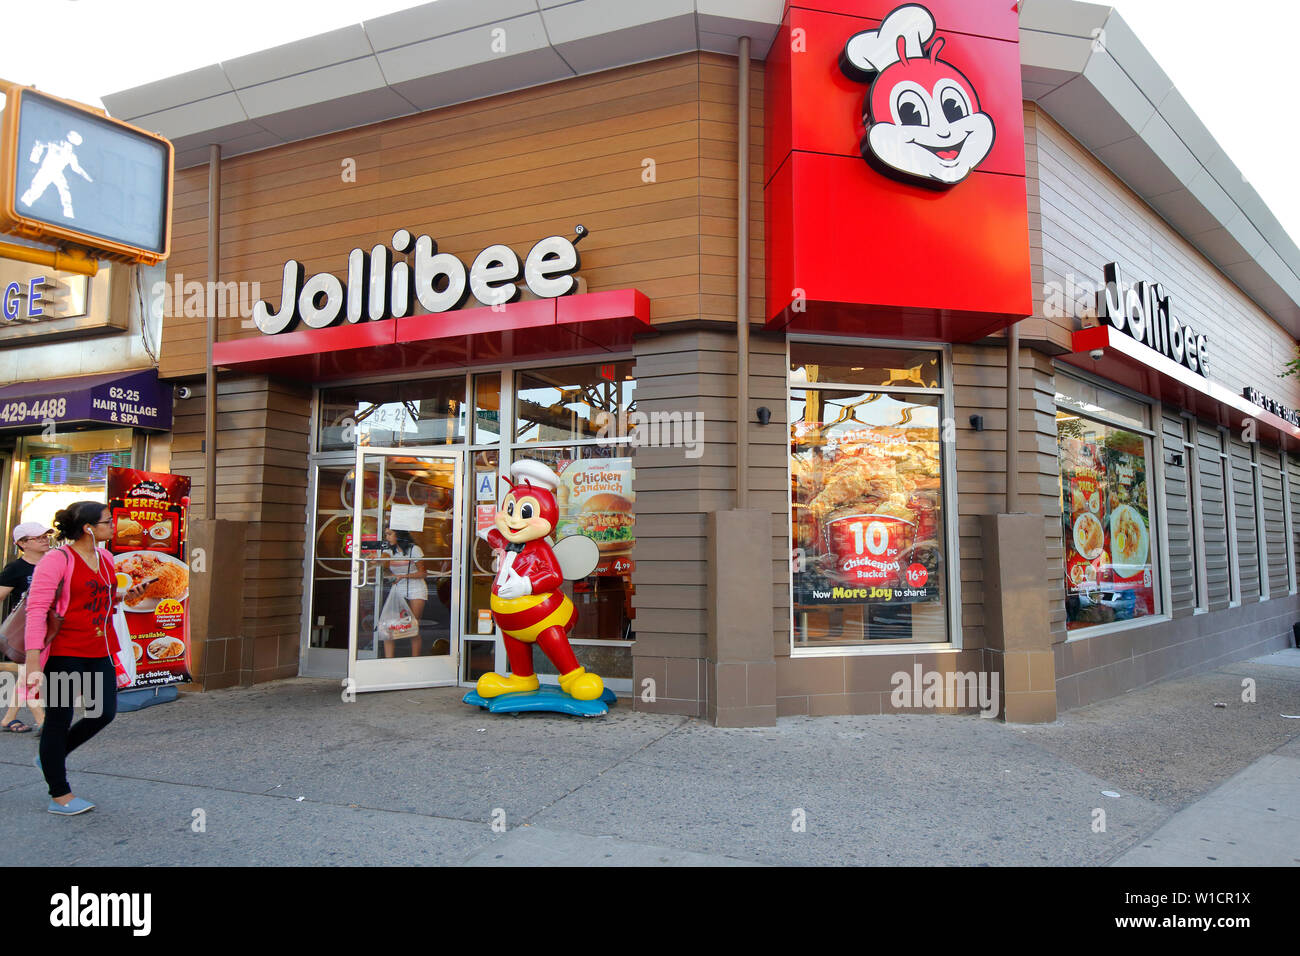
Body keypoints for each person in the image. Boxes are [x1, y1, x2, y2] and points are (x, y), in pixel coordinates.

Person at [24, 502, 146, 815]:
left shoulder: (105, 558)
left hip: (99, 649)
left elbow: (101, 596)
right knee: (59, 719)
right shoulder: (57, 560)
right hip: (64, 652)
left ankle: (51, 755)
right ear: (88, 528)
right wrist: (34, 661)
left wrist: (126, 595)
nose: (113, 526)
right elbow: (37, 609)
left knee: (103, 713)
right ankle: (59, 794)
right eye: (107, 522)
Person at [1, 523, 52, 733]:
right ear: (22, 544)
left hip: (51, 627)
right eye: (36, 537)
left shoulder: (54, 562)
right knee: (29, 674)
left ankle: (8, 718)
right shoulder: (16, 569)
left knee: (26, 675)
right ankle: (43, 722)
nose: (44, 539)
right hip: (27, 628)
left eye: (45, 535)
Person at [382, 528, 425, 659]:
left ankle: (414, 660)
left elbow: (423, 573)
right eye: (386, 535)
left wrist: (403, 576)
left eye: (390, 534)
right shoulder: (387, 551)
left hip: (416, 587)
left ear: (399, 535)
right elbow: (385, 570)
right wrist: (379, 563)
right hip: (398, 587)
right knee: (389, 626)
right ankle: (389, 661)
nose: (387, 537)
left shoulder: (414, 549)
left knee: (412, 626)